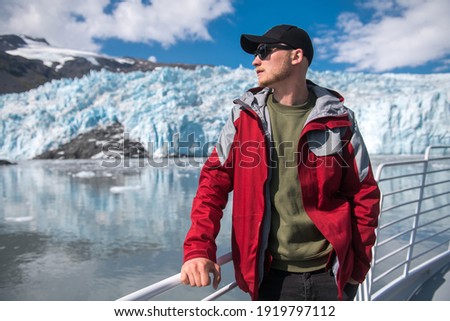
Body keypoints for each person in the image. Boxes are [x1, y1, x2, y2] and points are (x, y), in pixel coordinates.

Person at [180, 24, 380, 301]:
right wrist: (199, 250)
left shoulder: (339, 120)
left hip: (331, 274)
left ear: (296, 56)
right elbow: (211, 187)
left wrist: (358, 267)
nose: (255, 60)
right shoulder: (243, 119)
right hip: (270, 276)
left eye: (264, 51)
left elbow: (363, 193)